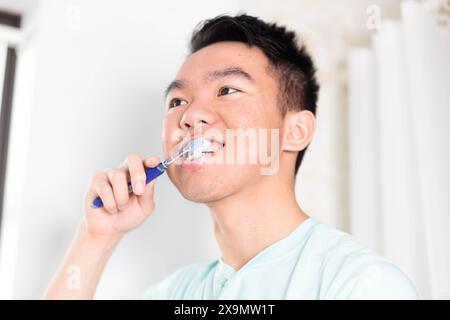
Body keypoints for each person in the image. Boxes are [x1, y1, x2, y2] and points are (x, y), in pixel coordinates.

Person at [44, 14, 420, 300]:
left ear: (295, 131)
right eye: (177, 101)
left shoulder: (360, 285)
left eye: (227, 89)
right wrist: (96, 237)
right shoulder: (175, 293)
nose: (190, 116)